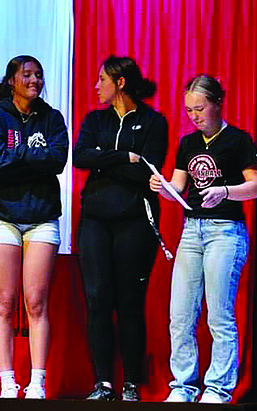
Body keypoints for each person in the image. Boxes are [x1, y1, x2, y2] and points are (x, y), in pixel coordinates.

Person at [150, 75, 257, 403]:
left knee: (219, 313)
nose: (195, 116)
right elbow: (179, 187)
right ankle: (183, 385)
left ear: (217, 103)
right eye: (189, 110)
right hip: (192, 230)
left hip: (225, 231)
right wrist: (164, 189)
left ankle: (218, 388)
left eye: (200, 108)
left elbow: (256, 187)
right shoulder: (188, 143)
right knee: (181, 313)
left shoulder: (238, 140)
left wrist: (225, 191)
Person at [73, 55, 168, 401]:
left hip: (135, 221)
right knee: (97, 299)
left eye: (102, 79)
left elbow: (147, 170)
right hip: (96, 220)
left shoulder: (153, 122)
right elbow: (81, 157)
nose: (96, 86)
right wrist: (123, 157)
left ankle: (131, 382)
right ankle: (103, 383)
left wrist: (106, 161)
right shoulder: (95, 120)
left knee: (130, 301)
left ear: (120, 83)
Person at [0, 55, 68, 399]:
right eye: (27, 75)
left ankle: (37, 383)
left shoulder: (52, 118)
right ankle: (6, 382)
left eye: (39, 75)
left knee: (37, 303)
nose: (34, 80)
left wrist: (22, 160)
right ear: (12, 80)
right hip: (2, 217)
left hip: (42, 218)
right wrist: (36, 158)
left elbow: (58, 160)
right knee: (4, 302)